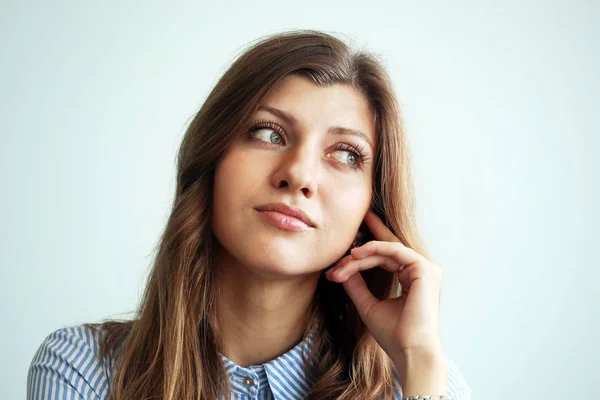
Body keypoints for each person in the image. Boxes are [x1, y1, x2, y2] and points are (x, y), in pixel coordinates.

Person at [27, 29, 472, 400]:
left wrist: (419, 360)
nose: (299, 174)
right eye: (268, 132)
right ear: (211, 160)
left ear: (368, 211)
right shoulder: (82, 369)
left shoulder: (422, 383)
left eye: (346, 154)